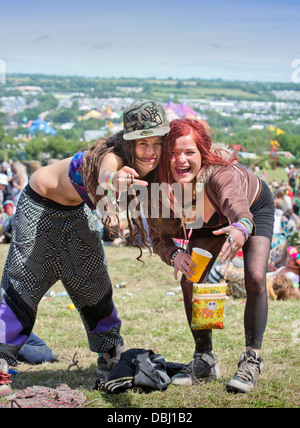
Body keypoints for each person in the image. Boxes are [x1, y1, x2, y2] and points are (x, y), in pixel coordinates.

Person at [0, 99, 170, 400]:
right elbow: (106, 176)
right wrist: (113, 187)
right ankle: (1, 361)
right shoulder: (113, 155)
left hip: (75, 213)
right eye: (144, 143)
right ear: (129, 141)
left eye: (158, 142)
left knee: (93, 283)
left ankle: (110, 353)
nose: (151, 151)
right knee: (23, 284)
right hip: (38, 205)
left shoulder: (154, 163)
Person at [147, 118, 275, 394]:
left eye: (189, 152)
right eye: (173, 152)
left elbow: (235, 203)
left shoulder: (219, 174)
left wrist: (241, 226)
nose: (180, 159)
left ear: (202, 153)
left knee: (254, 276)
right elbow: (157, 235)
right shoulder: (160, 184)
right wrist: (174, 255)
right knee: (190, 278)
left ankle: (251, 359)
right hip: (208, 223)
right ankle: (204, 359)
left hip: (253, 208)